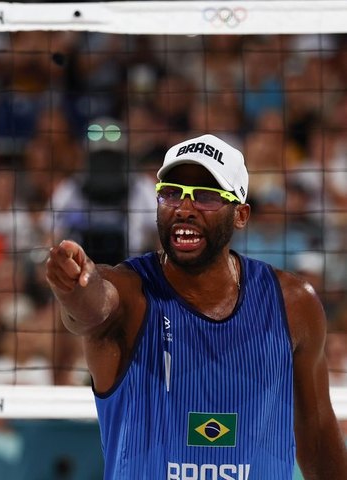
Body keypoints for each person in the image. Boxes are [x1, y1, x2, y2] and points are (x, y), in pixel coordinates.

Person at [46, 133, 347, 478]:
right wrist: (72, 287)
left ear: (241, 214)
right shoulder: (129, 293)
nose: (185, 209)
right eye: (172, 193)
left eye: (205, 197)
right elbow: (91, 308)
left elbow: (319, 432)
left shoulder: (294, 304)